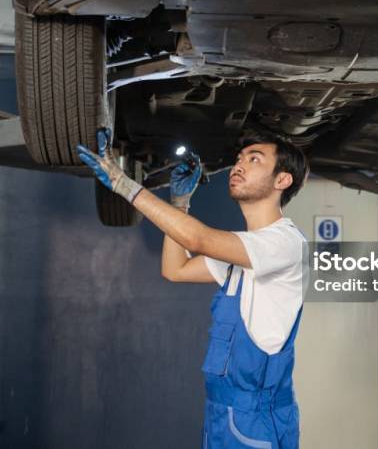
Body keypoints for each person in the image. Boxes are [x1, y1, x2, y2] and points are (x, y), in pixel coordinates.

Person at [76, 129, 310, 449]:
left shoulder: (284, 243)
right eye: (239, 159)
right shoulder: (244, 248)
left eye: (254, 160)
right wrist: (181, 204)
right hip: (222, 413)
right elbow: (176, 270)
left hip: (254, 418)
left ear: (282, 180)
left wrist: (124, 185)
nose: (238, 166)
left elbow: (198, 240)